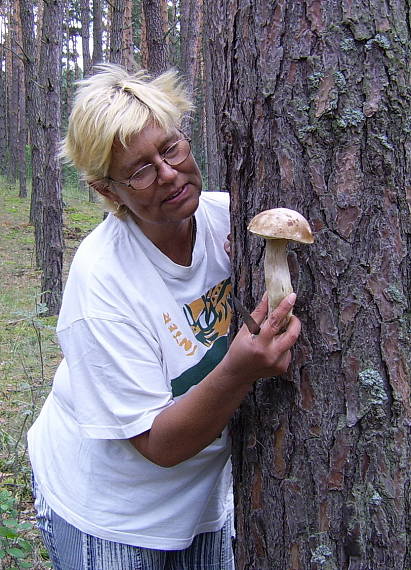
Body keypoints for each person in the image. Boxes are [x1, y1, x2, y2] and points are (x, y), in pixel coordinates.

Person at [28, 64, 301, 570]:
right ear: (110, 192)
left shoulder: (232, 223)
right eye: (140, 170)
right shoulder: (102, 284)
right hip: (113, 517)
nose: (169, 174)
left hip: (202, 505)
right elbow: (157, 443)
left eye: (170, 148)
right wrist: (240, 370)